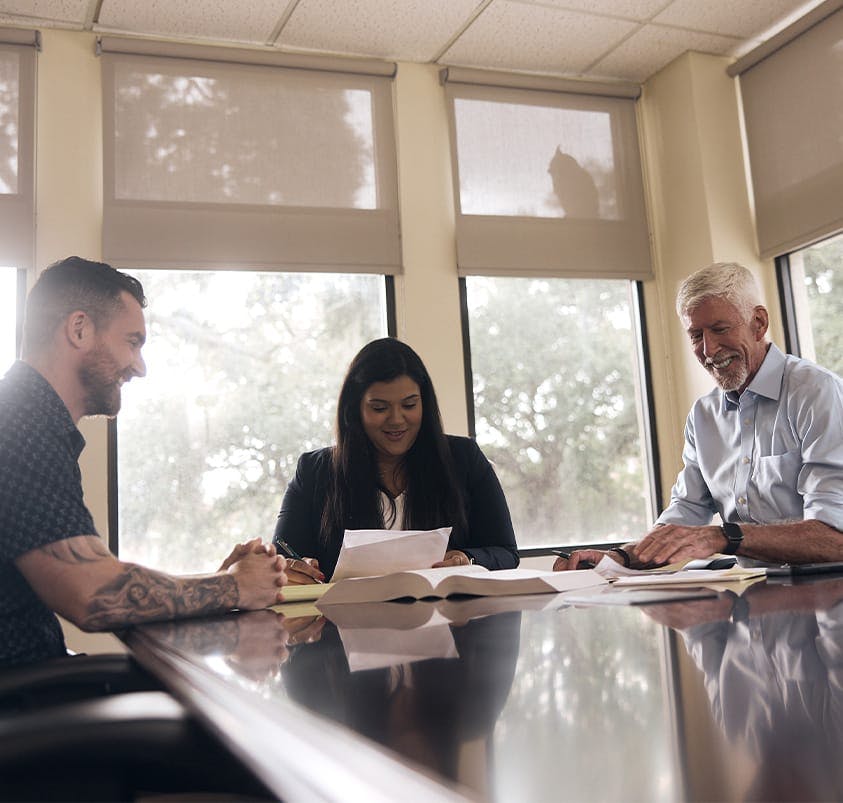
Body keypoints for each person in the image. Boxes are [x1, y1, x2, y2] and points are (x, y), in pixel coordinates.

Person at [0, 256, 287, 668]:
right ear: (79, 329)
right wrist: (234, 588)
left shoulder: (27, 417)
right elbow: (93, 594)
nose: (140, 366)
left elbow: (96, 572)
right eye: (132, 342)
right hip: (20, 705)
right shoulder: (21, 424)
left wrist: (224, 582)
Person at [556, 261, 843, 571]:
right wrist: (618, 558)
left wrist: (724, 536)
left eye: (720, 329)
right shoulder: (703, 416)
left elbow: (834, 535)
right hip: (755, 601)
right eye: (695, 335)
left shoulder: (816, 392)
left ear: (759, 323)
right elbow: (686, 511)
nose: (709, 349)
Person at [273, 337, 519, 583]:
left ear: (424, 402)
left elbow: (505, 552)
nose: (397, 420)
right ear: (355, 410)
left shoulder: (464, 458)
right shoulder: (315, 471)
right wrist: (293, 568)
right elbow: (283, 560)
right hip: (343, 620)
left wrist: (467, 559)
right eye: (380, 408)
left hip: (449, 618)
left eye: (409, 405)